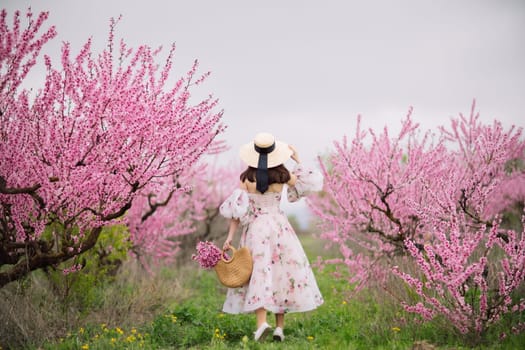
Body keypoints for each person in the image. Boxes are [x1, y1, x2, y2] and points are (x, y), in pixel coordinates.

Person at [219, 132, 324, 342]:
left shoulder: (246, 178)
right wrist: (298, 159)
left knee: (259, 271)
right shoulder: (283, 175)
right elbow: (310, 183)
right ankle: (279, 328)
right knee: (281, 273)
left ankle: (261, 324)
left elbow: (236, 213)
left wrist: (229, 237)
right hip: (279, 227)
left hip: (256, 229)